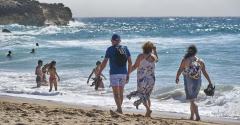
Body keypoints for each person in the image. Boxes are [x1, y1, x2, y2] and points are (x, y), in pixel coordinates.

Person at [175, 45, 213, 121]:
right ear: (196, 52)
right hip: (198, 82)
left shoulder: (185, 60)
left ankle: (197, 116)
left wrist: (177, 77)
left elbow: (180, 69)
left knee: (192, 100)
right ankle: (192, 117)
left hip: (188, 81)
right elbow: (205, 72)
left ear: (188, 51)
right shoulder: (200, 61)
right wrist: (209, 82)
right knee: (192, 99)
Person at [97, 34, 132, 114]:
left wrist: (99, 72)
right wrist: (128, 74)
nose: (111, 41)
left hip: (114, 74)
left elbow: (105, 62)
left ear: (113, 40)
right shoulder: (125, 48)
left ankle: (119, 110)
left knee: (116, 93)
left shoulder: (110, 49)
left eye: (112, 40)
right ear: (119, 41)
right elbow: (130, 62)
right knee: (121, 93)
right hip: (123, 73)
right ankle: (119, 109)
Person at [126, 41, 158, 117]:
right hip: (152, 79)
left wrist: (127, 73)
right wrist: (155, 50)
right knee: (147, 96)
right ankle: (148, 113)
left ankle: (148, 109)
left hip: (142, 79)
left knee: (142, 95)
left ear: (144, 48)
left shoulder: (141, 56)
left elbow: (134, 66)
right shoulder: (154, 57)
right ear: (151, 49)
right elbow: (157, 59)